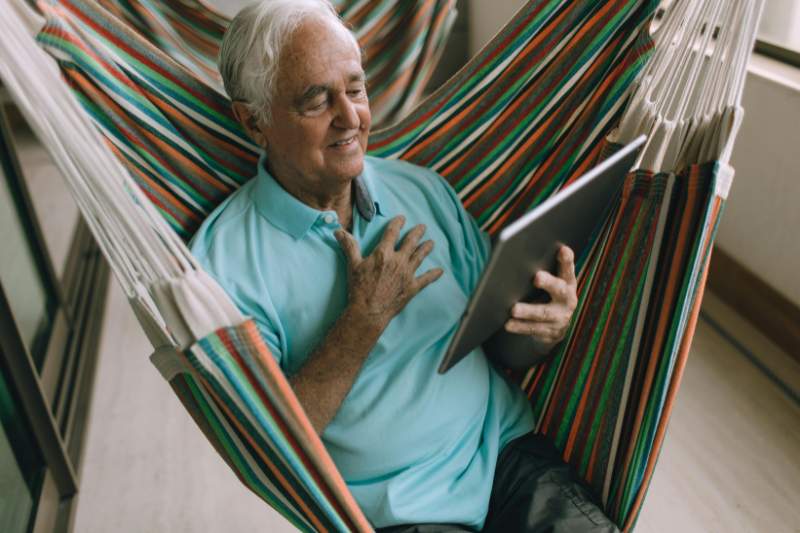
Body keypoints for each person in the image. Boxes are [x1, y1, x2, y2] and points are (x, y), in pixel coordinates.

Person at [190, 1, 618, 531]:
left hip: (506, 458)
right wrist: (363, 320)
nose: (350, 118)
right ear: (253, 120)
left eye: (355, 88)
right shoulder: (224, 264)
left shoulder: (424, 190)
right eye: (316, 100)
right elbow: (271, 449)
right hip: (398, 514)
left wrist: (544, 329)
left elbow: (501, 345)